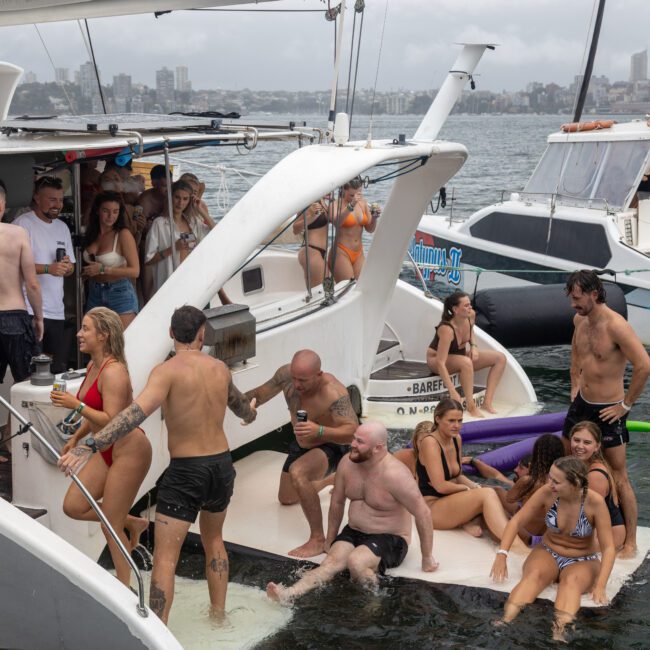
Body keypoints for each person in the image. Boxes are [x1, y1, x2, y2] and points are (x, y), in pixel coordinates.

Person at [57, 305, 257, 624]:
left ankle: (156, 631)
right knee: (214, 540)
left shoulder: (166, 371)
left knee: (166, 557)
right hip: (221, 465)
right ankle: (219, 616)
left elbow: (133, 415)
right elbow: (243, 408)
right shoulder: (220, 368)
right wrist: (251, 413)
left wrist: (89, 445)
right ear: (203, 335)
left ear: (171, 334)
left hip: (187, 470)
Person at [266, 422, 437, 604]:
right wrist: (330, 539)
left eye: (360, 442)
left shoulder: (396, 475)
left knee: (356, 562)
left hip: (390, 537)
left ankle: (373, 606)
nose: (352, 444)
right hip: (354, 530)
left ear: (378, 448)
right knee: (331, 563)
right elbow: (337, 501)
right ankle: (289, 593)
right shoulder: (348, 463)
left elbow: (423, 513)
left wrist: (427, 557)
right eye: (354, 438)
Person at [54, 307, 151, 586]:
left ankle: (126, 586)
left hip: (130, 451)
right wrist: (75, 438)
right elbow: (94, 415)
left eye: (85, 329)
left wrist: (76, 405)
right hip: (105, 449)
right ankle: (131, 522)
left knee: (110, 526)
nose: (78, 334)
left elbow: (113, 419)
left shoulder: (114, 372)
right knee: (72, 506)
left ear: (103, 336)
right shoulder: (92, 366)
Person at [562, 269, 650, 557]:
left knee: (619, 475)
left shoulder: (617, 326)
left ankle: (631, 542)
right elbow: (577, 353)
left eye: (577, 298)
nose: (573, 305)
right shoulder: (579, 319)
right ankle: (571, 527)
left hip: (608, 410)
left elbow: (644, 365)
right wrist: (575, 383)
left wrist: (625, 405)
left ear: (594, 294)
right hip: (582, 403)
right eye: (571, 298)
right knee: (568, 464)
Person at [246, 349, 358, 558]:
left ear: (318, 375)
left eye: (303, 380)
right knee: (286, 498)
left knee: (299, 472)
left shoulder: (334, 393)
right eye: (295, 378)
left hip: (331, 442)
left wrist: (320, 431)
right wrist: (241, 406)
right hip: (303, 440)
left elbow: (352, 432)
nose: (297, 385)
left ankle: (317, 539)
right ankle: (327, 482)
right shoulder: (285, 376)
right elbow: (259, 394)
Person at [491, 457, 615, 643]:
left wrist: (601, 584)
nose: (550, 484)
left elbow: (609, 547)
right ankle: (506, 620)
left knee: (571, 582)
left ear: (574, 483)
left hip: (581, 559)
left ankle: (559, 632)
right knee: (533, 575)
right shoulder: (547, 492)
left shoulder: (594, 503)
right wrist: (502, 554)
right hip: (548, 551)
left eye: (556, 481)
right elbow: (516, 521)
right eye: (550, 477)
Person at [409, 399, 525, 546]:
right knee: (486, 494)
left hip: (449, 500)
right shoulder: (430, 443)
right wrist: (469, 489)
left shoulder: (456, 439)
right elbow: (440, 486)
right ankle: (515, 546)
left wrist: (476, 486)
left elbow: (457, 476)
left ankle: (524, 534)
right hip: (431, 508)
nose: (456, 425)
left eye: (460, 420)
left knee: (495, 490)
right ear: (437, 419)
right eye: (451, 420)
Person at [0, 179, 44, 460]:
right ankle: (23, 446)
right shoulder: (16, 234)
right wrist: (38, 317)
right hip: (15, 318)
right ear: (3, 205)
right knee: (27, 384)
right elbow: (32, 284)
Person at [14, 176, 75, 373]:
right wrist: (49, 268)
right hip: (30, 309)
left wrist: (66, 267)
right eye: (52, 200)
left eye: (60, 200)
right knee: (32, 369)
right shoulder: (23, 225)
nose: (58, 205)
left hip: (57, 309)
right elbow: (13, 264)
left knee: (52, 369)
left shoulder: (62, 227)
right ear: (37, 198)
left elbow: (71, 266)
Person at [426, 291, 506, 417]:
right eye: (466, 306)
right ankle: (471, 406)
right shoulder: (447, 329)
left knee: (500, 358)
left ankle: (487, 402)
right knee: (466, 362)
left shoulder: (470, 315)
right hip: (436, 360)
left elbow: (471, 331)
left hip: (458, 357)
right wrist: (452, 391)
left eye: (470, 304)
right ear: (455, 309)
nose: (470, 308)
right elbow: (440, 363)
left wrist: (474, 346)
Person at [82, 192, 140, 329]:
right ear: (97, 211)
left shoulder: (123, 234)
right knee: (93, 342)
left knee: (123, 343)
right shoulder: (90, 232)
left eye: (115, 211)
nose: (111, 216)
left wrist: (103, 269)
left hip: (119, 292)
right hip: (94, 291)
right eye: (106, 211)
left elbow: (135, 271)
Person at [144, 180, 209, 296]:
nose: (180, 203)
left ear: (190, 201)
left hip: (192, 279)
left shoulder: (193, 222)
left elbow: (216, 232)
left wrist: (201, 211)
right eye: (177, 197)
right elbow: (149, 260)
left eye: (185, 199)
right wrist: (173, 248)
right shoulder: (159, 224)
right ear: (170, 198)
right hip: (170, 283)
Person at [570, 421, 626, 549]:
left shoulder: (595, 476)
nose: (579, 446)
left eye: (587, 442)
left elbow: (593, 517)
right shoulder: (581, 465)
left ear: (597, 446)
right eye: (576, 440)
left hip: (607, 536)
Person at [502, 434, 565, 541]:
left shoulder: (530, 481)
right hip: (542, 538)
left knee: (493, 497)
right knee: (498, 491)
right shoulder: (563, 483)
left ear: (536, 455)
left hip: (523, 535)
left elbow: (509, 498)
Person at [329, 178, 380, 282]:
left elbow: (370, 229)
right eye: (352, 195)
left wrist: (374, 217)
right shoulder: (335, 205)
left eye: (359, 194)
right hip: (341, 252)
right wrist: (351, 205)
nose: (355, 198)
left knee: (361, 285)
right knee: (347, 288)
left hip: (359, 253)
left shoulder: (363, 204)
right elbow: (336, 223)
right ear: (343, 190)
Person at [136, 164, 167, 304]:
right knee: (145, 249)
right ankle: (147, 299)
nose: (167, 190)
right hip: (146, 241)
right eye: (163, 186)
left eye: (169, 186)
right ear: (153, 183)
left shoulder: (173, 197)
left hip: (167, 240)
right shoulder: (144, 201)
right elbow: (136, 228)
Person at [292, 195, 332, 289]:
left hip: (318, 253)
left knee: (317, 291)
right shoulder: (307, 205)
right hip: (311, 251)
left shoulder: (322, 201)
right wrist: (311, 216)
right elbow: (295, 229)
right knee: (324, 290)